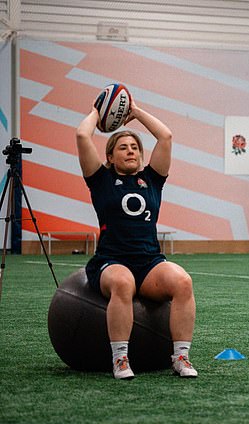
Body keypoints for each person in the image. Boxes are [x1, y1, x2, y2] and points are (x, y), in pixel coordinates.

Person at [76, 97, 197, 379]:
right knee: (123, 282)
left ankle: (181, 357)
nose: (130, 151)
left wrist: (135, 113)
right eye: (122, 147)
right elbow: (83, 134)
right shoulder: (100, 180)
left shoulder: (152, 179)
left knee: (183, 281)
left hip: (149, 263)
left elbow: (165, 136)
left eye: (134, 147)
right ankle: (120, 359)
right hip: (111, 261)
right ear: (110, 157)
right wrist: (98, 111)